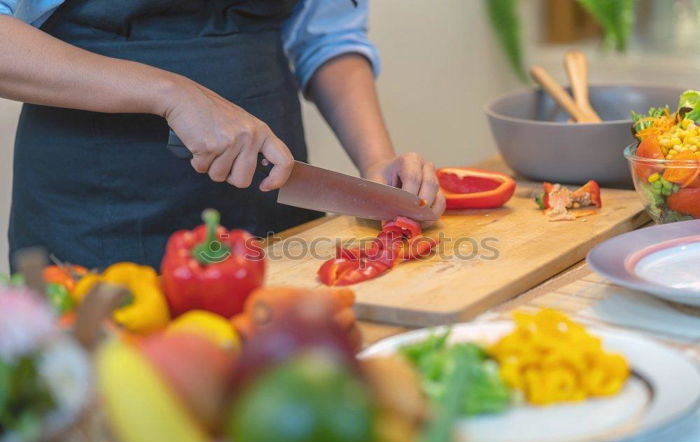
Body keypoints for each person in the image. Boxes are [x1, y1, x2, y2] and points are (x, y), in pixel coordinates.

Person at [0, 0, 446, 269]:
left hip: (267, 207)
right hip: (98, 216)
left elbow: (326, 38)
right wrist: (172, 93)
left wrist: (375, 164)